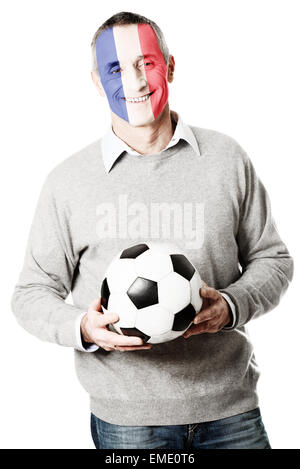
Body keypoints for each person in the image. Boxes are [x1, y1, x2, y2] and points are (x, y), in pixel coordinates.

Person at [11, 11, 293, 450]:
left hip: (231, 412)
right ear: (96, 81)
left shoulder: (226, 159)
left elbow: (273, 259)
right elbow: (31, 292)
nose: (137, 81)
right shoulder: (68, 181)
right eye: (116, 68)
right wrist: (83, 327)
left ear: (171, 66)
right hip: (128, 425)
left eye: (146, 62)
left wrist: (232, 306)